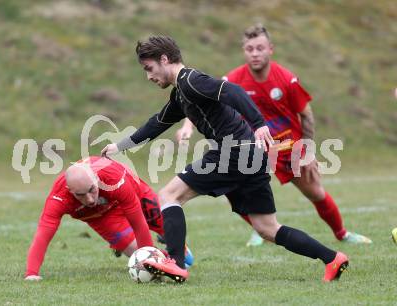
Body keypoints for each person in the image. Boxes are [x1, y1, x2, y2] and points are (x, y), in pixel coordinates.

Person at [101, 35, 349, 283]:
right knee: (267, 228)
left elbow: (232, 90)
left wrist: (259, 124)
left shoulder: (191, 81)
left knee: (169, 196)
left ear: (164, 59)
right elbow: (157, 123)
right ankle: (332, 258)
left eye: (149, 69)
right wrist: (120, 146)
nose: (149, 77)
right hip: (251, 155)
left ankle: (175, 263)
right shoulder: (181, 94)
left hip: (234, 151)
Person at [176, 25, 372, 247]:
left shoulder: (286, 79)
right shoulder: (233, 79)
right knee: (231, 191)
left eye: (260, 48)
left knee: (316, 192)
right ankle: (261, 229)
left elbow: (306, 116)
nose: (255, 53)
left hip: (289, 146)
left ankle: (342, 234)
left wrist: (307, 151)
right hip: (253, 148)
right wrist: (187, 127)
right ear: (244, 51)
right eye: (249, 49)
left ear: (271, 49)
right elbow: (205, 99)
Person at [24, 156, 192, 281]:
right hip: (103, 217)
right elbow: (43, 235)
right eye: (80, 195)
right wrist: (31, 274)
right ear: (70, 190)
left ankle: (177, 250)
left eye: (92, 190)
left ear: (97, 180)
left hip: (133, 194)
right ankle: (164, 259)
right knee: (135, 251)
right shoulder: (59, 198)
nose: (89, 199)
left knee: (177, 246)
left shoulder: (113, 179)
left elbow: (138, 222)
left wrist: (147, 259)